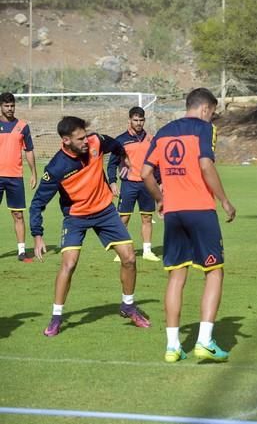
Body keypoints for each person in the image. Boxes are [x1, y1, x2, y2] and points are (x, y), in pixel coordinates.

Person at [30, 116, 150, 337]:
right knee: (69, 264)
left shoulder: (95, 141)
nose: (86, 141)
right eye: (80, 138)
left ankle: (128, 306)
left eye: (86, 136)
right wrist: (37, 235)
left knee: (130, 258)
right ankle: (56, 317)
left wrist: (123, 157)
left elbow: (115, 145)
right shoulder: (56, 167)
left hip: (105, 211)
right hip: (76, 217)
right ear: (66, 140)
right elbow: (37, 203)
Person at [141, 87, 236, 363]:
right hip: (200, 211)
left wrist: (160, 199)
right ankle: (204, 341)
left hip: (174, 213)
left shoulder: (163, 132)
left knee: (176, 275)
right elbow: (206, 165)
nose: (212, 117)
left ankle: (172, 347)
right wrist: (225, 200)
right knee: (214, 272)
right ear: (206, 109)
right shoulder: (204, 129)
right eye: (213, 113)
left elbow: (145, 173)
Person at [107, 106, 160, 263]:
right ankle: (121, 251)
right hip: (129, 184)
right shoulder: (120, 140)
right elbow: (112, 164)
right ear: (129, 120)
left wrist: (160, 182)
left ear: (144, 121)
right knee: (123, 219)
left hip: (147, 185)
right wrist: (112, 182)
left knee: (146, 218)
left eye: (141, 120)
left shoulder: (151, 139)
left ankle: (147, 251)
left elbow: (158, 163)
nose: (138, 123)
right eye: (135, 120)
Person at [0, 92, 37, 261]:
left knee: (18, 215)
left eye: (12, 105)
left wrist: (33, 173)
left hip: (15, 177)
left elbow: (28, 150)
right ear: (1, 107)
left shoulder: (23, 126)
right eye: (6, 106)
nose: (10, 109)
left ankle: (21, 251)